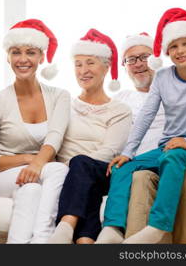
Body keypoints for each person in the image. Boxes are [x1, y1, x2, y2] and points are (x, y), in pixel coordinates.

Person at [98, 7, 186, 244]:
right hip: (169, 148)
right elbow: (147, 116)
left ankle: (157, 226)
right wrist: (127, 153)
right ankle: (112, 228)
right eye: (174, 46)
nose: (180, 51)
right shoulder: (162, 78)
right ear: (167, 52)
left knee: (175, 154)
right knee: (123, 167)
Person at [0, 19, 70, 244]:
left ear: (41, 57)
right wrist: (30, 160)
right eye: (16, 52)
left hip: (33, 177)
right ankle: (44, 238)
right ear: (8, 57)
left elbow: (55, 136)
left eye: (31, 52)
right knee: (55, 169)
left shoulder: (59, 96)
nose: (23, 59)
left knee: (31, 191)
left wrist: (36, 165)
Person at [47, 29, 132, 244]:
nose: (83, 70)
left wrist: (73, 165)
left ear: (106, 68)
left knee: (82, 165)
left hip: (102, 171)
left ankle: (65, 226)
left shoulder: (120, 110)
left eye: (90, 63)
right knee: (85, 186)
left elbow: (109, 151)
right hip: (70, 175)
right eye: (78, 64)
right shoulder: (65, 103)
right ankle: (86, 242)